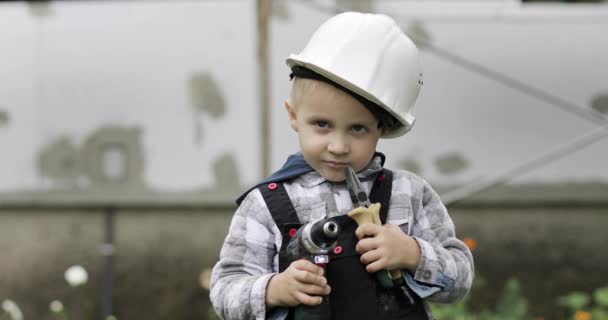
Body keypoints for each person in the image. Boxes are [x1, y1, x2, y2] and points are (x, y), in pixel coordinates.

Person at [210, 11, 474, 320]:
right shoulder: (263, 205)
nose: (338, 146)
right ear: (294, 115)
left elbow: (460, 279)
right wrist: (274, 288)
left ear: (383, 128)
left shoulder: (409, 194)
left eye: (357, 129)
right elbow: (226, 290)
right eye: (322, 124)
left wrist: (413, 254)